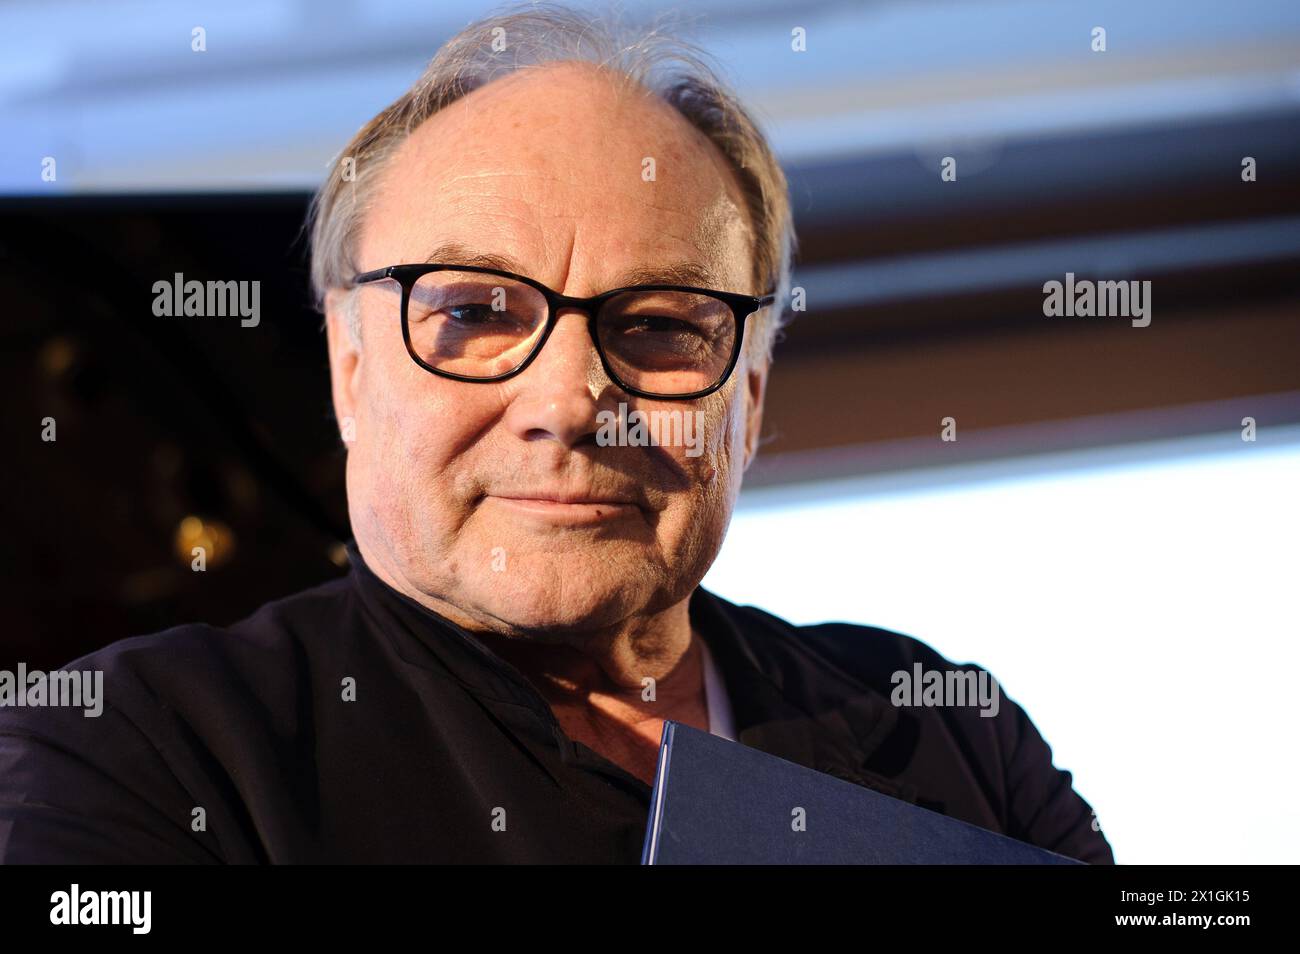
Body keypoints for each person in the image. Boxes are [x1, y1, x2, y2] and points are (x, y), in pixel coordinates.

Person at [0, 4, 1113, 864]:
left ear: (752, 396)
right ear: (348, 368)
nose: (571, 400)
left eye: (662, 325)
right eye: (476, 315)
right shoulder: (136, 755)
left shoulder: (943, 735)